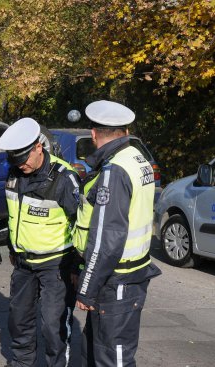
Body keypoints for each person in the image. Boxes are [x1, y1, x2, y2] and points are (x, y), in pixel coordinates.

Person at [73, 100, 162, 366]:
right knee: (98, 350)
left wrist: (87, 289)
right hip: (129, 273)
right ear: (124, 131)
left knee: (113, 358)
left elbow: (107, 237)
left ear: (93, 134)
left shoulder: (115, 170)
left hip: (117, 279)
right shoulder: (138, 158)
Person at [0, 118, 80, 367]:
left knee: (53, 326)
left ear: (38, 148)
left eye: (23, 159)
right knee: (19, 321)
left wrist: (77, 266)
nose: (20, 165)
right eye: (15, 160)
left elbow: (82, 225)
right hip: (23, 263)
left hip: (56, 264)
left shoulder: (64, 179)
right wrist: (13, 248)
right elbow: (15, 216)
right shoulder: (14, 173)